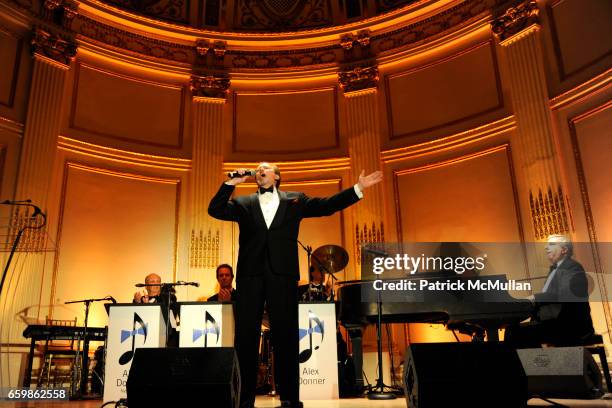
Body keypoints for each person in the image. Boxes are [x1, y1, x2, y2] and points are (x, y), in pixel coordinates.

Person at [208, 162, 382, 408]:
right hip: (250, 276)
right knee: (246, 338)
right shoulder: (243, 202)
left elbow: (327, 206)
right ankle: (243, 401)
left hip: (283, 276)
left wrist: (357, 189)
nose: (260, 171)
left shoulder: (295, 200)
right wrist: (230, 184)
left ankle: (290, 399)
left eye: (265, 169)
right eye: (257, 169)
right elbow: (214, 209)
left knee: (287, 337)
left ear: (277, 176)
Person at [505, 234, 595, 348]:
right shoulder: (555, 269)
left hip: (571, 325)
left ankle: (534, 364)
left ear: (564, 250)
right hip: (557, 322)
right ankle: (535, 364)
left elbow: (562, 294)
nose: (546, 248)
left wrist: (534, 298)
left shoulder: (572, 267)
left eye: (551, 245)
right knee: (513, 329)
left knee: (515, 333)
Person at [133, 273, 179, 346]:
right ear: (145, 285)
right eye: (152, 281)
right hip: (146, 337)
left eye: (158, 281)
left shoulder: (168, 298)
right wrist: (138, 303)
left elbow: (172, 316)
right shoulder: (139, 300)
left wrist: (149, 306)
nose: (156, 284)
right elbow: (135, 320)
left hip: (168, 338)